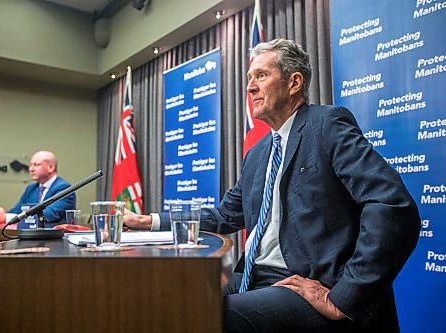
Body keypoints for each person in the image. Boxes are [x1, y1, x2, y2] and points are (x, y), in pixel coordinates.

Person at [124, 38, 421, 332]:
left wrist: (344, 296)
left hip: (303, 282)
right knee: (167, 301)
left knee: (209, 317)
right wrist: (149, 221)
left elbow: (392, 205)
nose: (250, 87)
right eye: (250, 78)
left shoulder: (327, 125)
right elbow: (224, 216)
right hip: (251, 276)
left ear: (294, 83)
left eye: (262, 76)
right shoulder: (258, 152)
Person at [0, 151, 76, 228]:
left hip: (55, 243)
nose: (31, 169)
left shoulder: (64, 188)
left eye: (36, 165)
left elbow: (47, 215)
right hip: (30, 238)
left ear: (50, 167)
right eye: (31, 165)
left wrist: (5, 217)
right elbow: (18, 211)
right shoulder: (31, 188)